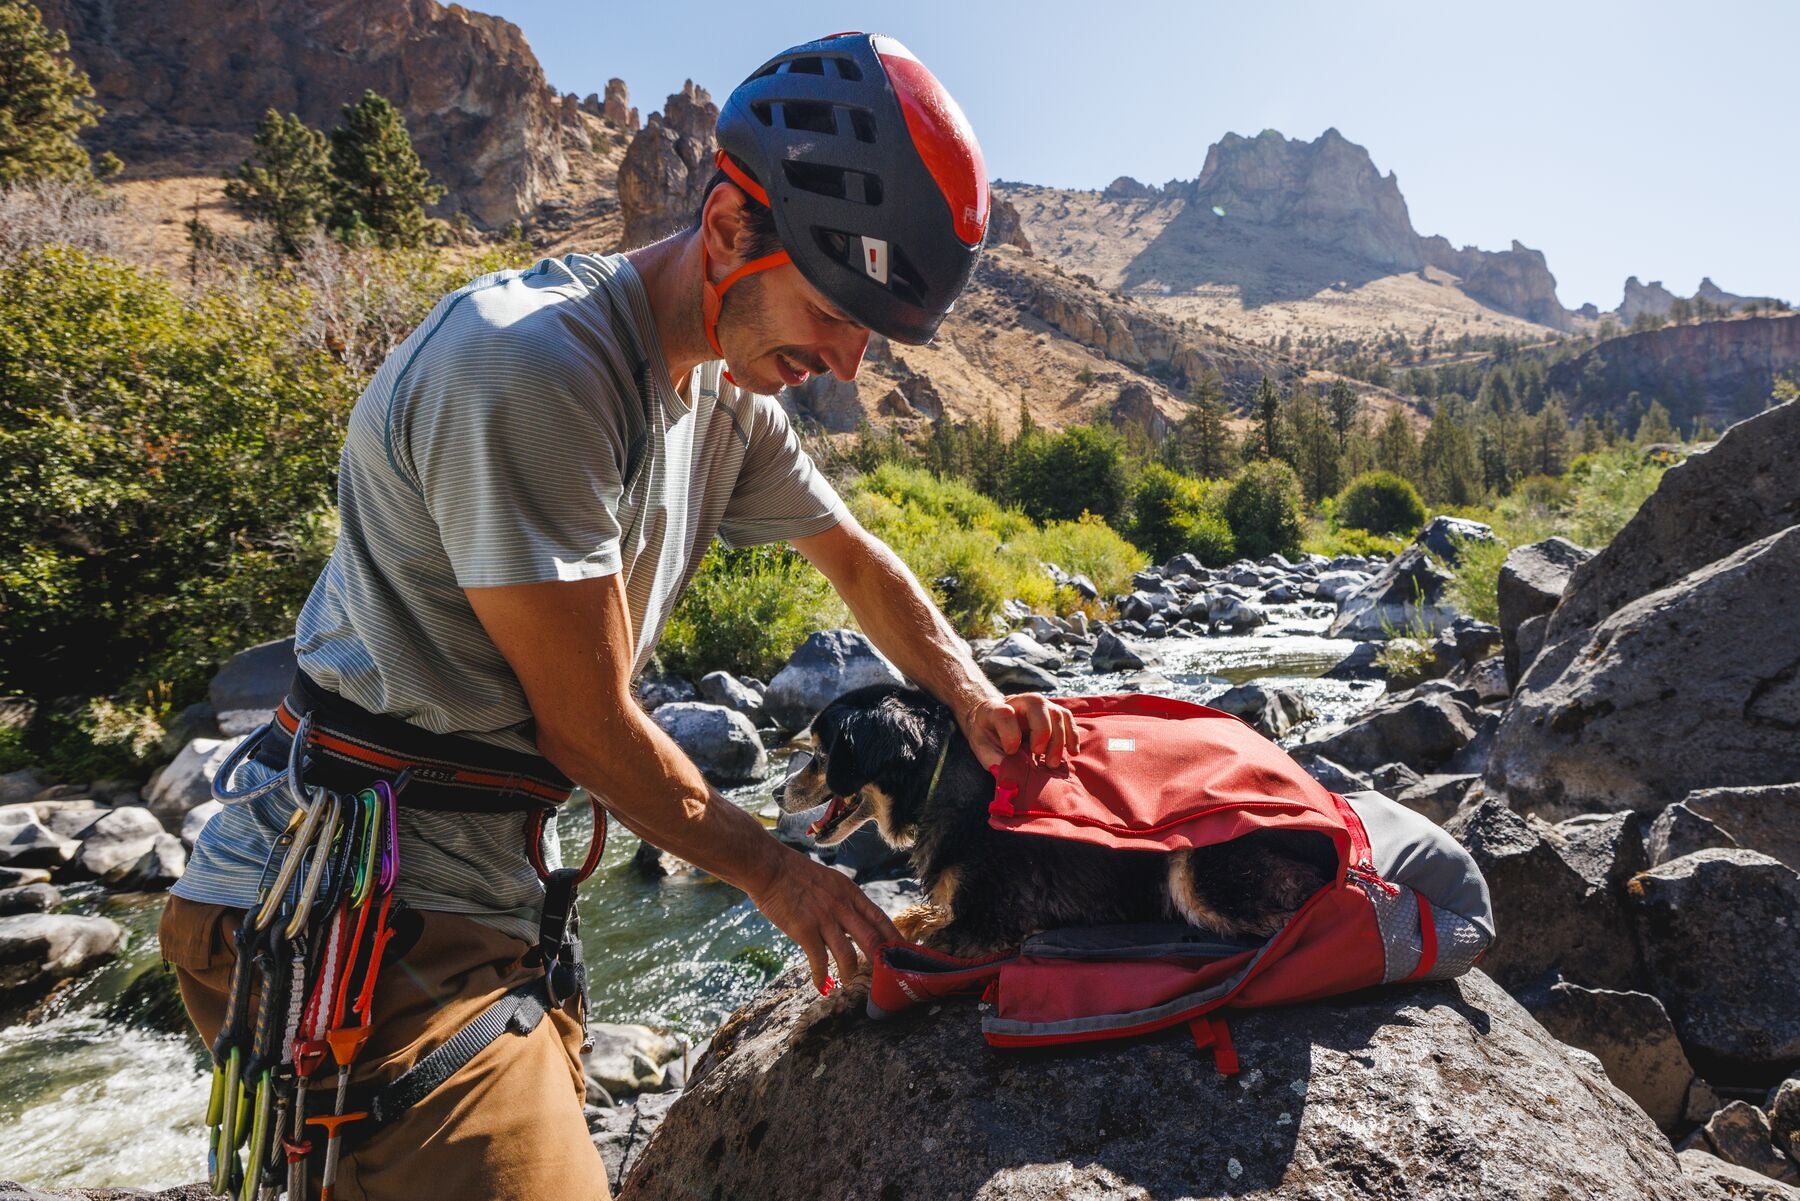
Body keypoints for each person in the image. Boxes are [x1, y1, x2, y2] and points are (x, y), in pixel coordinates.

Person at [161, 31, 1078, 1201]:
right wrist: (786, 877)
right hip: (363, 917)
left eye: (872, 331)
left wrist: (975, 697)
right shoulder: (535, 368)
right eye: (835, 308)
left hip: (481, 904)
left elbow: (853, 558)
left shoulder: (725, 392)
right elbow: (588, 731)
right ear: (731, 228)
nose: (847, 360)